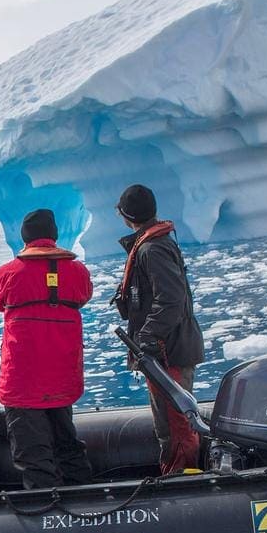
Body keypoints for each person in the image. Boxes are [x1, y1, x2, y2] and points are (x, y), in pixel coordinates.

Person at [0, 208, 95, 488]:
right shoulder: (78, 271)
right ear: (54, 235)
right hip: (62, 374)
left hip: (23, 380)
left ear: (24, 238)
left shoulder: (7, 273)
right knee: (68, 446)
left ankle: (46, 519)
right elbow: (84, 295)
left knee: (34, 457)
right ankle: (87, 503)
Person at [112, 184, 205, 474]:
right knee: (171, 423)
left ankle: (183, 478)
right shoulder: (156, 244)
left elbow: (171, 298)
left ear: (127, 216)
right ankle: (180, 473)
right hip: (168, 349)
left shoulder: (153, 249)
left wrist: (148, 337)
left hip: (168, 352)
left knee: (176, 424)